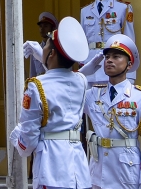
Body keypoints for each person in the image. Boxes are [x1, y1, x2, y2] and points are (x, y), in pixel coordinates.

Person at [10, 17, 91, 189]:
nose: (43, 48)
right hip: (79, 171)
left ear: (52, 54)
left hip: (52, 169)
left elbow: (28, 144)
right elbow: (61, 76)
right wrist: (42, 56)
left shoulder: (36, 86)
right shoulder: (81, 80)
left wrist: (16, 137)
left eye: (45, 46)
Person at [82, 34, 141, 189]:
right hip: (98, 173)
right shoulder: (92, 94)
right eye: (107, 57)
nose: (109, 60)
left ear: (129, 65)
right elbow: (68, 90)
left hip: (126, 173)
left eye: (116, 57)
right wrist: (84, 72)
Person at [80, 0, 135, 86]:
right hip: (91, 69)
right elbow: (83, 44)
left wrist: (130, 75)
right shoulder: (85, 11)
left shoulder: (123, 8)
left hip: (113, 69)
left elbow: (129, 42)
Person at [28, 13, 58, 78]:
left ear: (52, 28)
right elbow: (32, 73)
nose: (42, 29)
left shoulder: (57, 48)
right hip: (39, 85)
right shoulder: (35, 48)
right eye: (40, 26)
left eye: (45, 26)